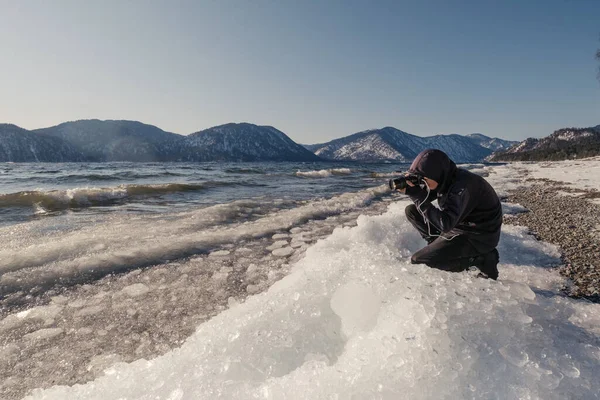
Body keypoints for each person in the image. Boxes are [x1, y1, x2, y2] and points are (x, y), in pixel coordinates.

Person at [397, 149, 502, 279]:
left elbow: (445, 224)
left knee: (420, 260)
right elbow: (426, 198)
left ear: (437, 174)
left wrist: (416, 195)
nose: (423, 184)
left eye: (424, 180)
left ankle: (482, 258)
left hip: (479, 236)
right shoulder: (446, 178)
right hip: (460, 225)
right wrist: (414, 187)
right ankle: (436, 242)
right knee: (412, 211)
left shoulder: (462, 187)